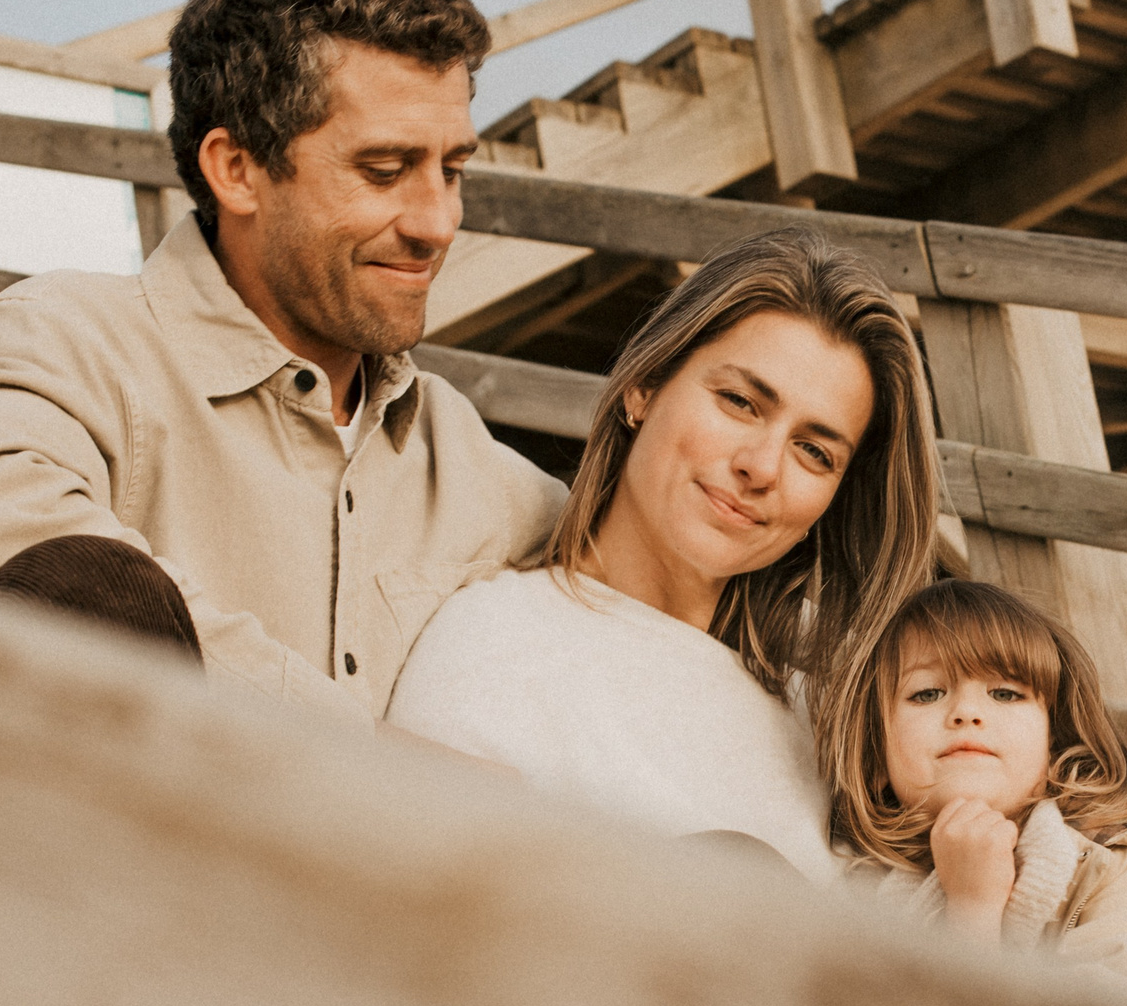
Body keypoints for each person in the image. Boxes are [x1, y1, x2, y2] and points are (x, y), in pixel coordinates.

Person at [0, 0, 563, 725]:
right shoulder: (59, 349)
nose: (438, 221)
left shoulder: (482, 471)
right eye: (384, 171)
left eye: (451, 171)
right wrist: (379, 773)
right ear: (236, 169)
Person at [384, 228, 938, 882]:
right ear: (643, 386)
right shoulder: (492, 645)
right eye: (739, 401)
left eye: (815, 452)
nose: (761, 467)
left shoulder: (834, 698)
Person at [824, 579, 1127, 1006]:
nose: (967, 712)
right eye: (927, 693)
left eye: (1004, 693)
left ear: (1054, 739)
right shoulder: (855, 868)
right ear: (874, 762)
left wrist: (973, 912)